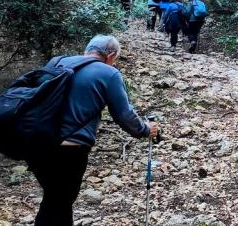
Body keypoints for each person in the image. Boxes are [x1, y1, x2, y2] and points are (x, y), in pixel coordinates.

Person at [26, 35, 160, 226]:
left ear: (87, 49)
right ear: (111, 55)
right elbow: (123, 115)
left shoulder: (57, 62)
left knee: (56, 199)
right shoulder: (109, 73)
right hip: (70, 148)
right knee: (58, 202)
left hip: (35, 144)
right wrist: (145, 130)